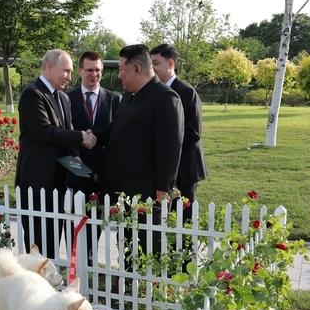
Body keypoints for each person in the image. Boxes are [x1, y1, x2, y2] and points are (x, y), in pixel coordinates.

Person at [103, 44, 184, 264]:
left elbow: (170, 148)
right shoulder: (130, 96)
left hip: (147, 194)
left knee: (148, 247)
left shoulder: (166, 98)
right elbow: (115, 129)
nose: (119, 74)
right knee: (127, 244)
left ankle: (147, 290)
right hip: (124, 191)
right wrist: (88, 137)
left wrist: (162, 190)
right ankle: (129, 285)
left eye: (121, 69)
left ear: (137, 69)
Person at [15, 49, 96, 258]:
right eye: (66, 71)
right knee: (37, 241)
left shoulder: (63, 98)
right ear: (49, 67)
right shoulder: (33, 94)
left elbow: (66, 134)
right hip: (36, 181)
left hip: (58, 182)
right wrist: (81, 136)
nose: (69, 76)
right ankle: (34, 286)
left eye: (70, 72)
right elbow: (45, 132)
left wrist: (80, 166)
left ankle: (49, 284)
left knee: (53, 236)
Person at [67, 51, 121, 262]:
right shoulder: (67, 98)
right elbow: (63, 130)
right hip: (74, 168)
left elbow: (117, 132)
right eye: (89, 70)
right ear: (80, 70)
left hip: (102, 172)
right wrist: (75, 153)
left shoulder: (115, 99)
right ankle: (77, 260)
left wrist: (96, 138)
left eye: (98, 70)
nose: (94, 74)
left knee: (97, 220)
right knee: (76, 220)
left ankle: (90, 260)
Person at [150, 44, 207, 222]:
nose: (152, 69)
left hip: (185, 169)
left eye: (156, 63)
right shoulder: (154, 91)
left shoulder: (186, 92)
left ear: (171, 63)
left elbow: (193, 133)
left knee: (184, 219)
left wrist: (166, 150)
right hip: (164, 169)